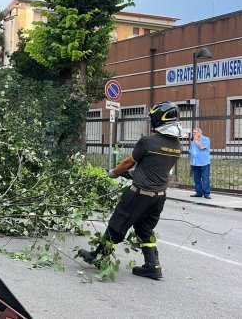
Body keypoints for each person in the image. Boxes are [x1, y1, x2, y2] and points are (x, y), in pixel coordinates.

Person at [78, 101, 182, 280]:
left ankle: (100, 258)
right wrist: (132, 175)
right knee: (144, 228)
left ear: (158, 120)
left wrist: (112, 173)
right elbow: (155, 168)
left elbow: (128, 162)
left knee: (117, 225)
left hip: (139, 194)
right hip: (158, 197)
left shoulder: (147, 141)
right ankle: (153, 266)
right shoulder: (177, 146)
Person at [189, 127, 211, 199]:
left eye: (195, 132)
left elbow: (202, 147)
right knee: (197, 178)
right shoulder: (192, 142)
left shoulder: (206, 139)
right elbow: (192, 153)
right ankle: (198, 193)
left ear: (200, 133)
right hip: (195, 163)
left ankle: (206, 193)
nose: (193, 134)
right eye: (193, 133)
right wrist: (191, 163)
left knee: (205, 178)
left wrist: (197, 140)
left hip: (204, 162)